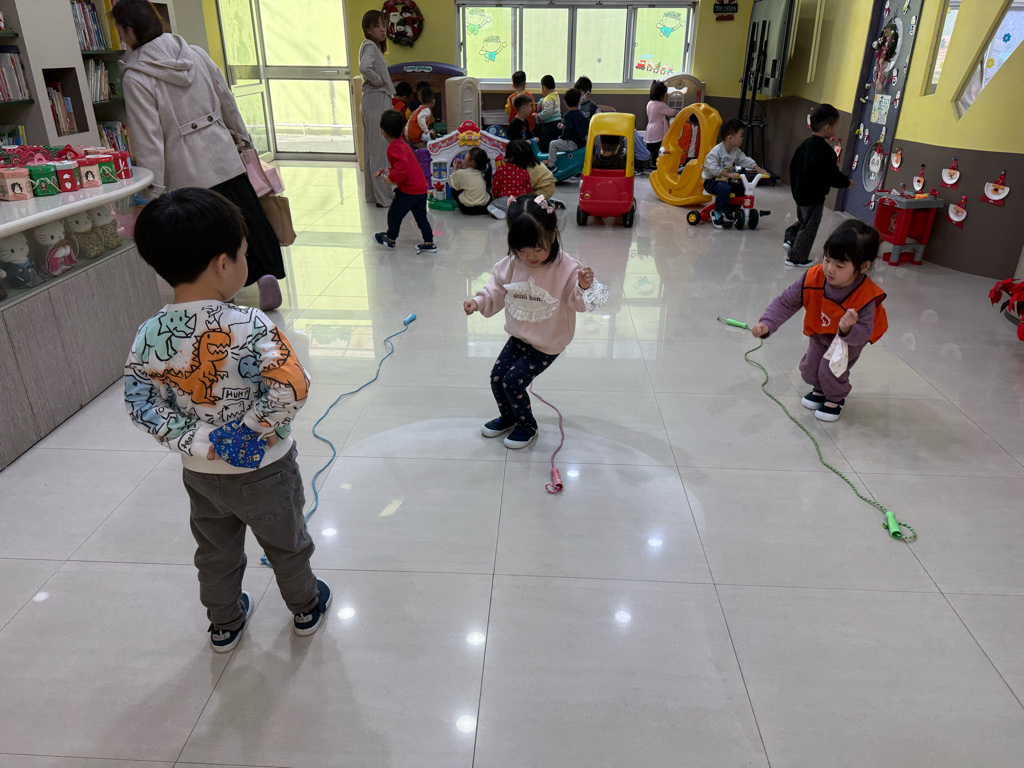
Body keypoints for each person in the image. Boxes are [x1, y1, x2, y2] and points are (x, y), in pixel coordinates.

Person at [124, 188, 332, 653]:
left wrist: (201, 442)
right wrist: (247, 432)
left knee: (215, 552)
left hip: (200, 473)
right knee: (286, 543)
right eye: (244, 252)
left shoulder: (150, 333)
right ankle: (305, 607)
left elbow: (140, 403)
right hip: (266, 470)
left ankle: (224, 623)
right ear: (223, 264)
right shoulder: (252, 324)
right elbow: (291, 386)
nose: (245, 261)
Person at [113, 0, 284, 311]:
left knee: (204, 235)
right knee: (249, 220)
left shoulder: (137, 76)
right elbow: (226, 99)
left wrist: (152, 190)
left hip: (187, 169)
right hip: (224, 154)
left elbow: (149, 137)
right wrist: (242, 139)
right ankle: (266, 275)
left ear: (129, 30)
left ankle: (222, 293)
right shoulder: (195, 54)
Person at [463, 195, 595, 449]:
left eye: (537, 248)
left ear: (552, 236)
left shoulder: (568, 268)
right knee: (497, 377)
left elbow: (578, 302)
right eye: (522, 250)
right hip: (520, 335)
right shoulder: (513, 263)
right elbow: (496, 288)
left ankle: (527, 426)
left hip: (548, 342)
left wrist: (583, 286)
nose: (530, 256)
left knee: (513, 382)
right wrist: (478, 301)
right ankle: (509, 417)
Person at [750, 219, 888, 423]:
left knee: (831, 370)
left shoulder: (865, 295)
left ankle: (835, 398)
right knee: (809, 368)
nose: (829, 269)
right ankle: (820, 389)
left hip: (848, 340)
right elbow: (786, 302)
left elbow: (865, 332)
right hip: (820, 332)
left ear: (863, 267)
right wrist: (767, 323)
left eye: (840, 265)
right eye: (827, 259)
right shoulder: (813, 277)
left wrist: (847, 328)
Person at [785, 103, 855, 267]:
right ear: (827, 127)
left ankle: (790, 238)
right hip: (814, 198)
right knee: (810, 226)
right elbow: (831, 174)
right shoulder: (825, 151)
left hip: (800, 194)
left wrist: (796, 189)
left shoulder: (804, 145)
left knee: (803, 220)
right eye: (836, 126)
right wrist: (846, 182)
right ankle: (797, 258)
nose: (836, 129)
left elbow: (793, 167)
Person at [373, 110, 436, 253]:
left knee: (394, 214)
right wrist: (386, 172)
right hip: (420, 188)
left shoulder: (393, 148)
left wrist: (391, 179)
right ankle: (429, 242)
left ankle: (390, 238)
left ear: (382, 131)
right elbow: (402, 166)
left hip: (408, 190)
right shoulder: (402, 144)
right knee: (421, 217)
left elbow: (402, 168)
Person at [701, 118, 767, 229]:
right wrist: (728, 174)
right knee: (725, 188)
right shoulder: (716, 152)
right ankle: (717, 213)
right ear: (730, 138)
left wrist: (757, 168)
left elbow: (744, 159)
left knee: (741, 187)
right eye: (741, 136)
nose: (742, 139)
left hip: (726, 180)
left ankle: (731, 209)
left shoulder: (735, 151)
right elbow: (713, 168)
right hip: (712, 180)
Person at [358, 10, 394, 208]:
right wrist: (379, 81)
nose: (382, 29)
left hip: (371, 102)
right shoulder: (370, 46)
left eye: (383, 25)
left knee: (372, 150)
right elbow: (364, 68)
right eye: (377, 26)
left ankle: (374, 195)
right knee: (380, 150)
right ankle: (383, 197)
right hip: (376, 101)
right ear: (368, 29)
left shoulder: (370, 46)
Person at [488, 139, 536, 219]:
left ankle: (502, 211)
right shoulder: (524, 172)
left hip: (506, 200)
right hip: (521, 201)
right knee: (526, 206)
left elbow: (495, 189)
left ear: (511, 158)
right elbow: (528, 190)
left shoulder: (500, 170)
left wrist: (497, 197)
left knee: (492, 204)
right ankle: (520, 212)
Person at [545, 88, 587, 169]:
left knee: (553, 144)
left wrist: (562, 137)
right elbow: (580, 126)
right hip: (581, 141)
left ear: (565, 103)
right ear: (578, 102)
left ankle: (551, 165)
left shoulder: (568, 115)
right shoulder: (581, 114)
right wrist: (563, 125)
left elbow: (569, 130)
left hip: (573, 143)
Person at [449, 147, 492, 215]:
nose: (466, 155)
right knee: (488, 194)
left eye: (468, 154)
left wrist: (454, 170)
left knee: (454, 190)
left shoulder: (461, 173)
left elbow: (452, 183)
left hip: (468, 209)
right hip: (484, 207)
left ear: (471, 162)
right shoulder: (481, 172)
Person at [644, 80, 676, 163]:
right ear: (661, 95)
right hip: (657, 130)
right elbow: (672, 112)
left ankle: (649, 164)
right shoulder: (660, 105)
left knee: (650, 150)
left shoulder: (649, 103)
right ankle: (655, 164)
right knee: (658, 150)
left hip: (649, 129)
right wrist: (681, 111)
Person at [536, 75, 561, 152]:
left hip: (550, 125)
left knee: (547, 144)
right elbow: (548, 99)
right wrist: (541, 102)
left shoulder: (548, 99)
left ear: (543, 87)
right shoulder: (556, 95)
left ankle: (547, 157)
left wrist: (539, 116)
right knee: (555, 144)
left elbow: (548, 112)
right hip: (557, 123)